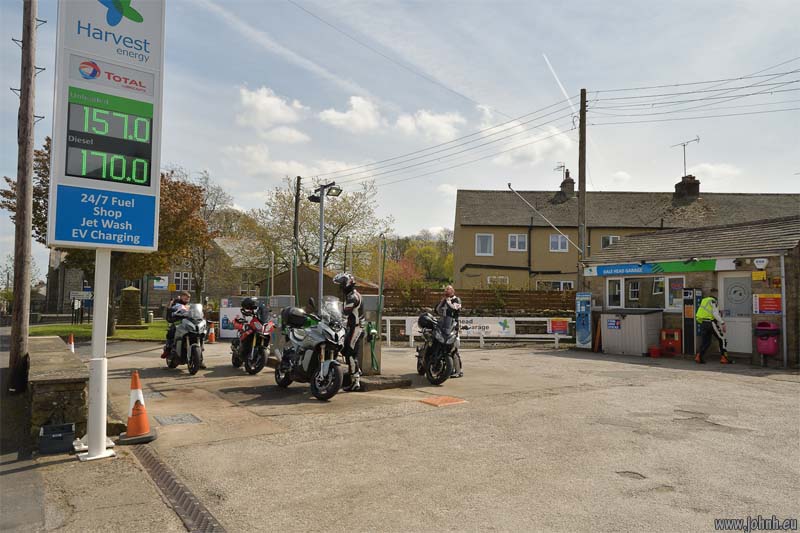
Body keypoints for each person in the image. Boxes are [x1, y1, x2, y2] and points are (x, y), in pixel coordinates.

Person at [333, 273, 364, 391]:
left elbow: (344, 313)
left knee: (351, 353)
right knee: (346, 351)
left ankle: (356, 380)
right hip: (354, 327)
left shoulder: (352, 297)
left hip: (356, 328)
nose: (340, 288)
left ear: (347, 284)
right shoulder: (354, 294)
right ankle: (353, 374)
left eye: (341, 285)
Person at [695, 288, 731, 364]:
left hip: (703, 323)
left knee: (706, 341)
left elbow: (708, 311)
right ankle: (724, 358)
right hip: (710, 323)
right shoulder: (713, 301)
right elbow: (714, 314)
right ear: (716, 294)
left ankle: (699, 356)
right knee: (722, 339)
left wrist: (718, 311)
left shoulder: (704, 300)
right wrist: (722, 323)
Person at [436, 285, 463, 378]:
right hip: (444, 326)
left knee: (453, 349)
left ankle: (459, 371)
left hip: (453, 327)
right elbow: (437, 310)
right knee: (444, 348)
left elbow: (454, 308)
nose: (446, 291)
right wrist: (442, 302)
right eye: (445, 290)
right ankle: (449, 369)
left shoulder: (457, 299)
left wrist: (448, 302)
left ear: (453, 291)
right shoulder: (444, 300)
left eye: (448, 289)